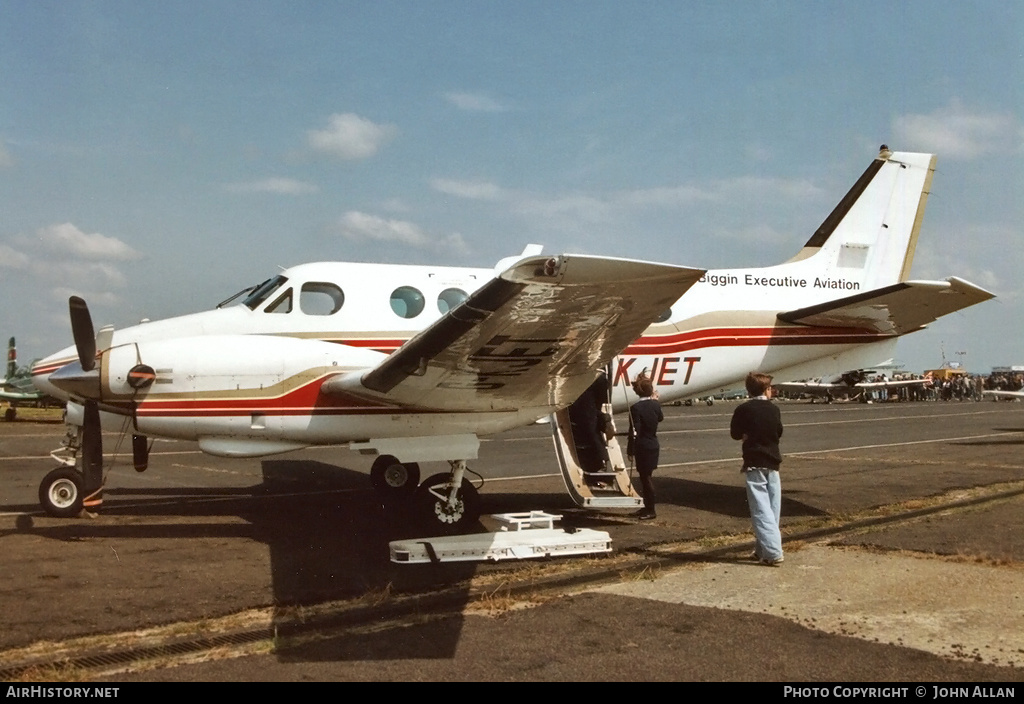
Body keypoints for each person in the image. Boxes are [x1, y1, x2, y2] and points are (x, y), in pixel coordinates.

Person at [730, 372, 784, 565]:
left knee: (760, 509)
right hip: (773, 461)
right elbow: (778, 431)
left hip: (754, 461)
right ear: (767, 389)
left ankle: (772, 552)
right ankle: (762, 549)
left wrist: (747, 434)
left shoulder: (743, 409)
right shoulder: (774, 409)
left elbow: (735, 433)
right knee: (772, 507)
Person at [627, 372, 662, 520]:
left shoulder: (636, 408)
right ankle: (646, 507)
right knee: (646, 477)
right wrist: (655, 401)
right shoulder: (655, 405)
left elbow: (635, 430)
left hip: (643, 446)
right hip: (653, 443)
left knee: (645, 478)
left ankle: (650, 510)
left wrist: (630, 449)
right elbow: (660, 418)